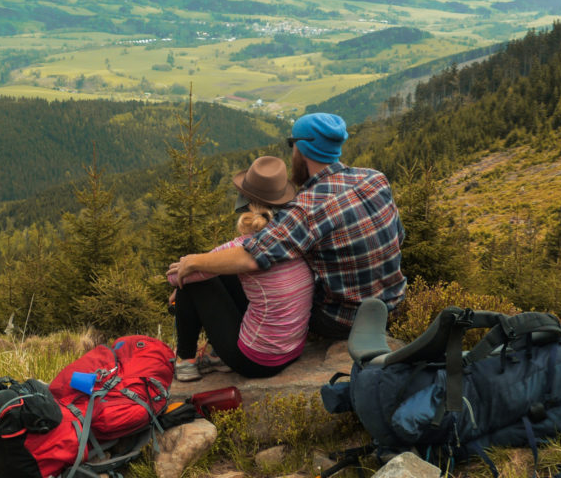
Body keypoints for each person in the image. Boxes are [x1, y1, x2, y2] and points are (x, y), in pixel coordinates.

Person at [169, 112, 405, 340]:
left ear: (301, 149)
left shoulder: (307, 206)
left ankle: (236, 347)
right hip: (391, 306)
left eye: (292, 145)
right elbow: (399, 236)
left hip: (341, 321)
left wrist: (192, 262)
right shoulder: (375, 179)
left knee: (245, 276)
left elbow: (252, 255)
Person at [165, 155, 314, 382]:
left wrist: (181, 280)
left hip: (256, 361)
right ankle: (217, 357)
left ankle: (186, 361)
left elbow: (177, 276)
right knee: (223, 272)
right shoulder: (292, 237)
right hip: (291, 350)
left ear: (247, 202)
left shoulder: (244, 247)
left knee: (194, 279)